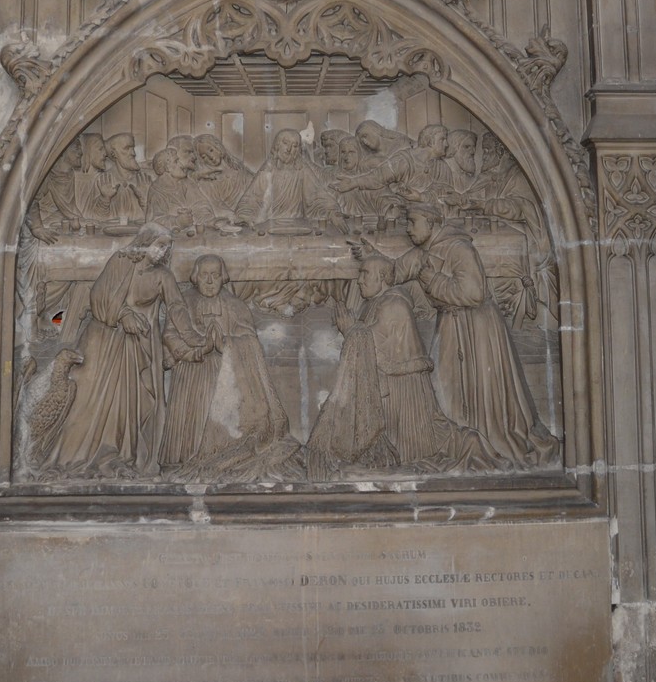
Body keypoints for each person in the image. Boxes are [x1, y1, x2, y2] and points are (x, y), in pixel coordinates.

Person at [350, 204, 557, 467]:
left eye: (413, 222)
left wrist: (432, 278)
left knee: (480, 386)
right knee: (444, 384)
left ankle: (485, 441)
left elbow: (474, 293)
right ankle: (457, 441)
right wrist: (373, 257)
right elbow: (393, 272)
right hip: (450, 324)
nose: (408, 229)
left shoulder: (459, 249)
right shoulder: (423, 251)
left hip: (478, 328)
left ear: (432, 222)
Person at [308, 255, 489, 477]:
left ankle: (461, 444)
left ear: (382, 277)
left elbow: (375, 342)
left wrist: (350, 329)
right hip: (387, 386)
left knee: (407, 452)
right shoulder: (376, 303)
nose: (359, 280)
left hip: (401, 391)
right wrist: (352, 328)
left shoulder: (394, 304)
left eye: (365, 273)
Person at [40, 224, 182, 477]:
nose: (163, 252)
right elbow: (99, 296)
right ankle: (72, 456)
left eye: (167, 248)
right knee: (86, 399)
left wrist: (185, 340)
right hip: (102, 339)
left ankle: (117, 456)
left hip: (138, 350)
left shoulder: (163, 276)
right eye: (159, 245)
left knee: (126, 407)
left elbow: (177, 309)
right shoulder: (121, 261)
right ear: (145, 242)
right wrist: (122, 314)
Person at [159, 255, 301, 480]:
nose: (209, 281)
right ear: (195, 277)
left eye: (215, 276)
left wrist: (224, 343)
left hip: (226, 377)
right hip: (190, 374)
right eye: (204, 275)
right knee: (187, 429)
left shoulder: (235, 306)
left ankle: (220, 453)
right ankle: (179, 460)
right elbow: (169, 335)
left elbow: (250, 341)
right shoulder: (183, 303)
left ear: (223, 278)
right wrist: (195, 352)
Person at [234, 128, 335, 232]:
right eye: (285, 143)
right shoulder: (268, 169)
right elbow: (252, 198)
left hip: (299, 226)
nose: (289, 149)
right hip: (271, 227)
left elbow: (317, 196)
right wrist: (244, 216)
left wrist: (333, 213)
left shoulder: (302, 169)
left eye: (295, 146)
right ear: (277, 145)